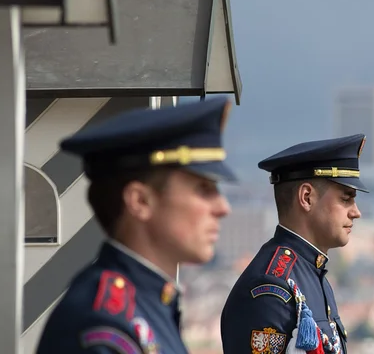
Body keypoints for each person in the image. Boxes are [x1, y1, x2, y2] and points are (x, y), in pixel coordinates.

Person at [36, 97, 236, 354]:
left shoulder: (146, 304)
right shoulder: (106, 324)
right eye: (204, 189)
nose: (222, 207)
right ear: (140, 201)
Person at [220, 134, 368, 354]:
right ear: (307, 197)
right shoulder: (272, 288)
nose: (356, 212)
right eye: (346, 199)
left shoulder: (312, 273)